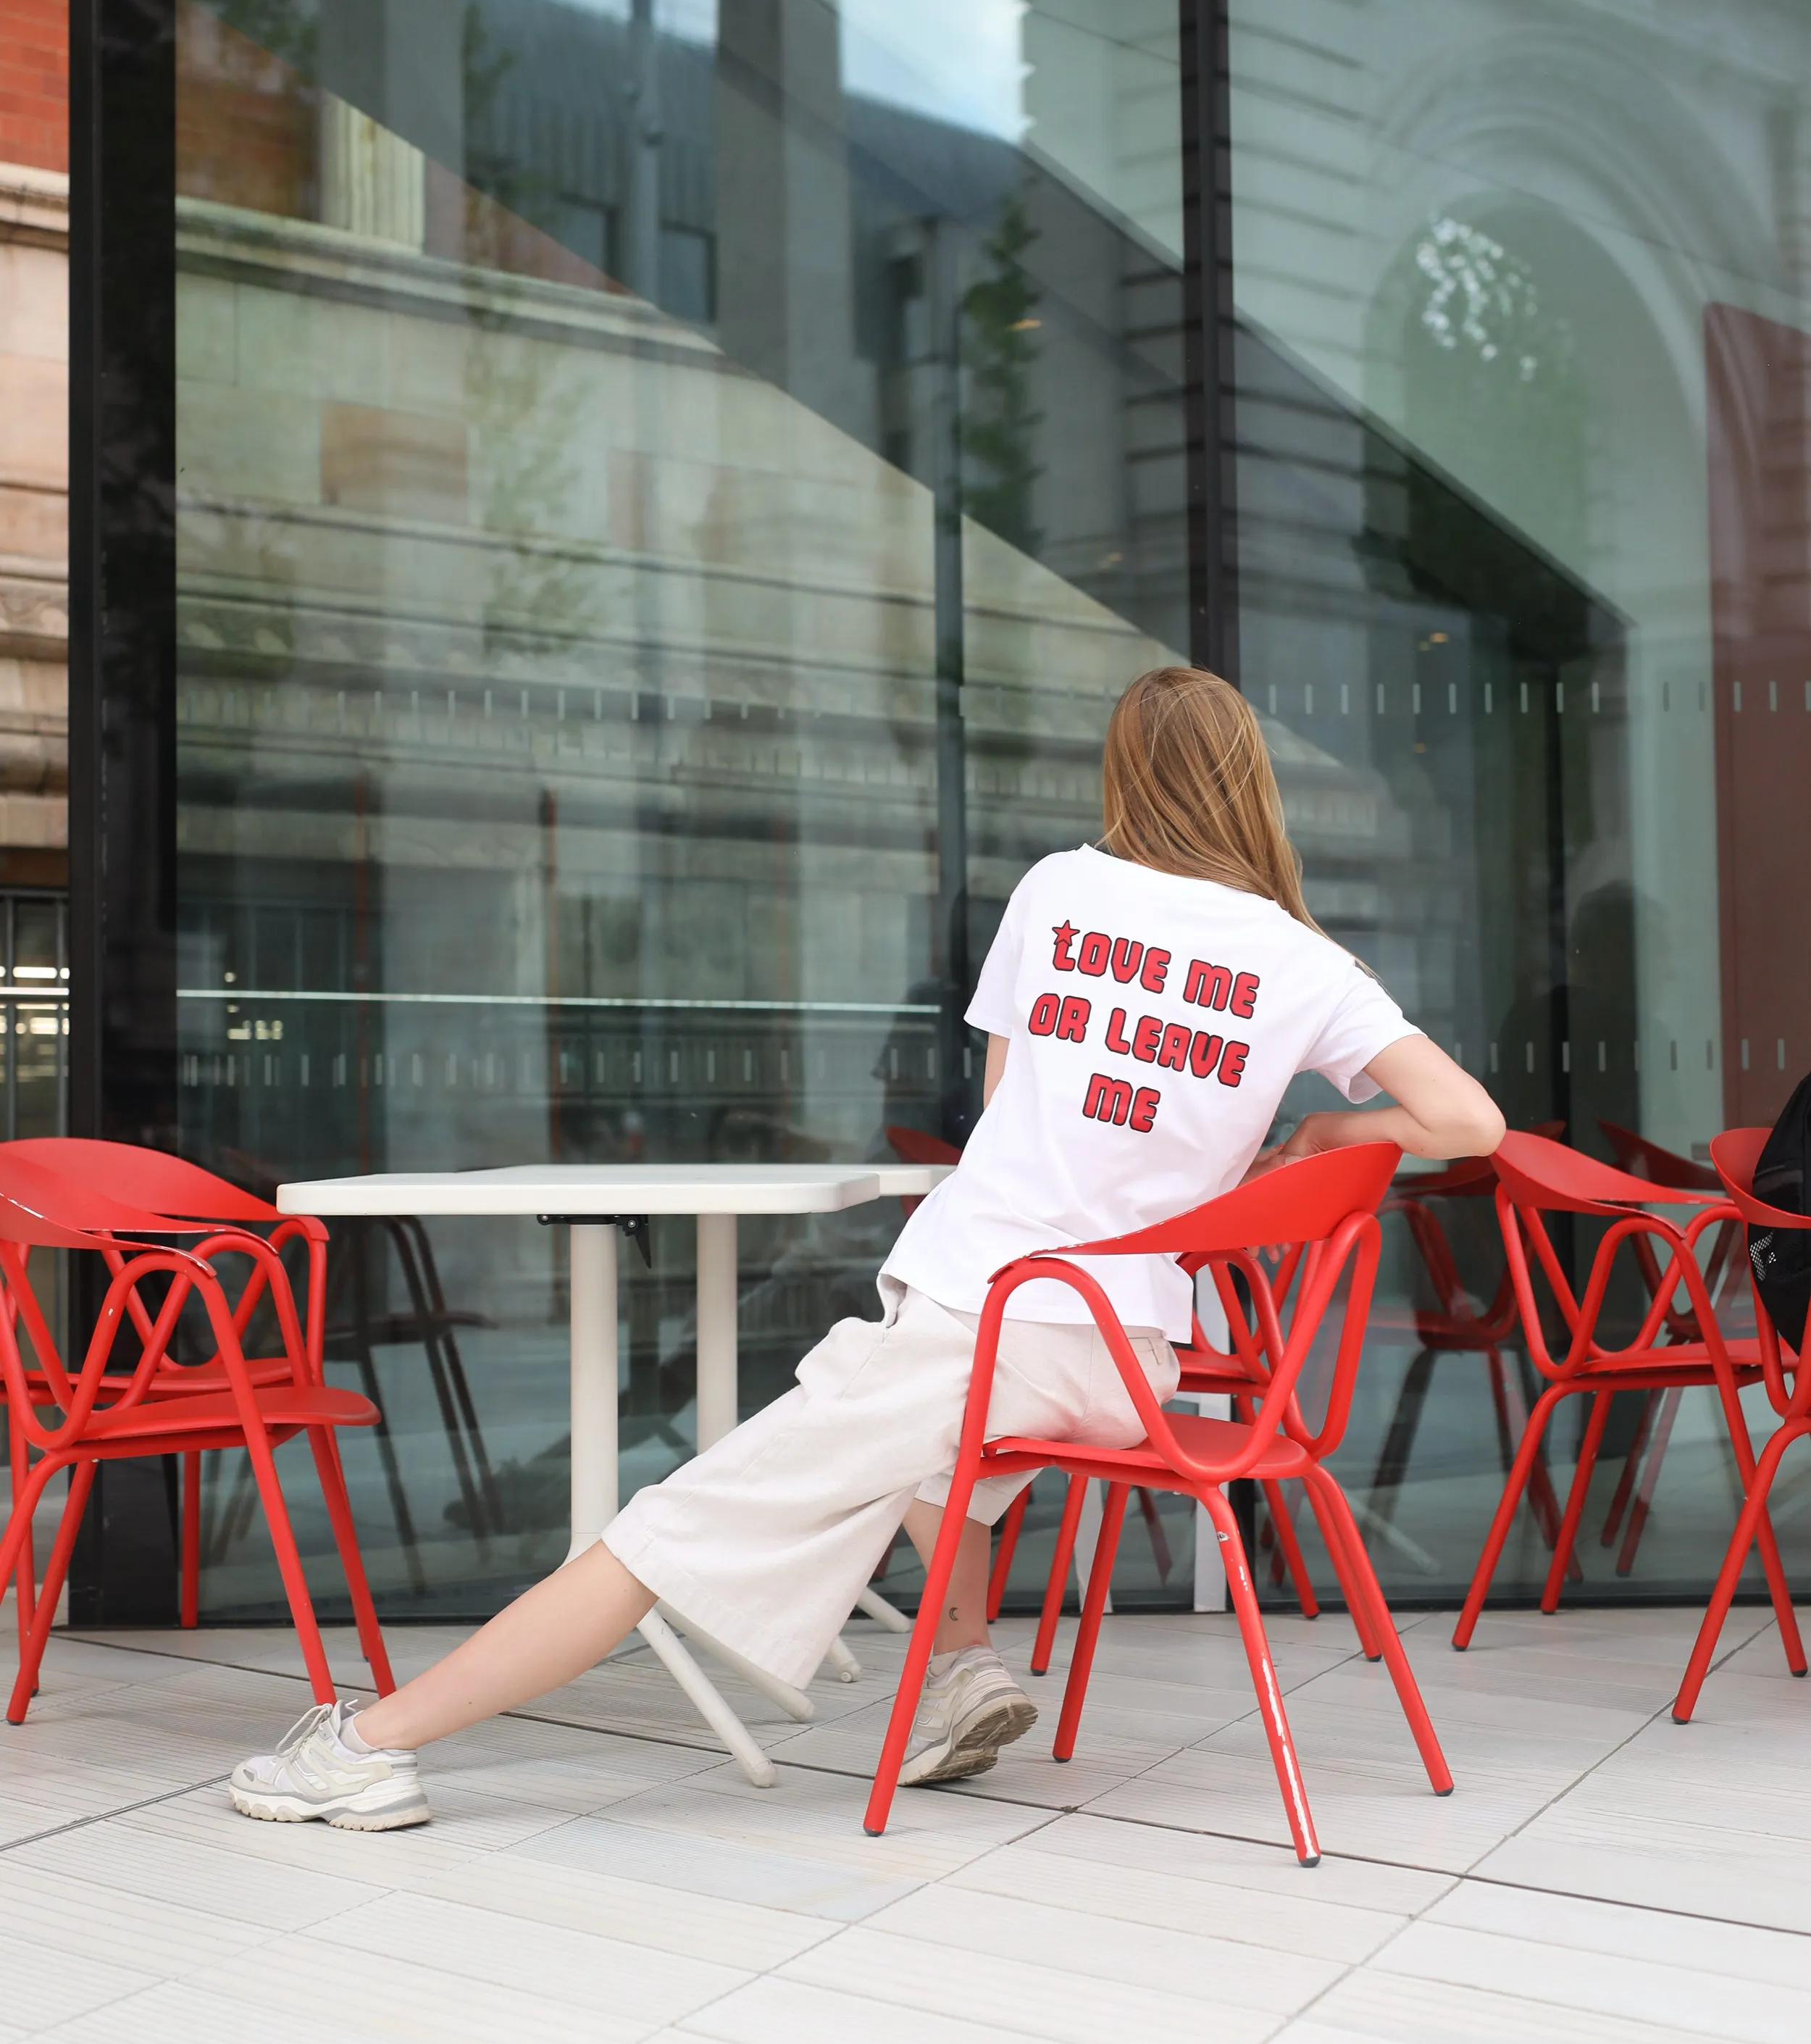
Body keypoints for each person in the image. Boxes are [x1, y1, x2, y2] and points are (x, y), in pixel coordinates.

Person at [230, 667, 1503, 1830]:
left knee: (667, 1529)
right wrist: (1333, 1125)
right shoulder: (1304, 961)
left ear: (1129, 779)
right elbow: (1469, 1121)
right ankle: (960, 1669)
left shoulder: (1064, 888)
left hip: (991, 1312)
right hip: (1138, 1361)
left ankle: (369, 1743)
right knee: (947, 1441)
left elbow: (1005, 1111)